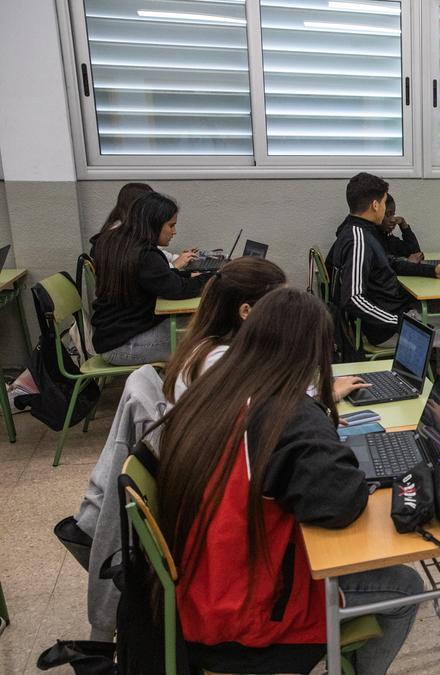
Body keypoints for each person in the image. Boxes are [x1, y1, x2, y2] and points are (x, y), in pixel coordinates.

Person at [157, 288, 422, 674]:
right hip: (244, 613)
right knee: (406, 587)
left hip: (200, 589)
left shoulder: (219, 388)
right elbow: (338, 505)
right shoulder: (284, 413)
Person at [326, 172, 440, 401]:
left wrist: (432, 270)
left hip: (394, 317)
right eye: (384, 201)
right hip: (387, 327)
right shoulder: (359, 238)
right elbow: (353, 299)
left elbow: (389, 263)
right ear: (375, 204)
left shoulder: (358, 232)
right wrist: (400, 324)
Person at [162, 256, 372, 403]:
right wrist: (326, 396)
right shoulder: (219, 360)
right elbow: (270, 413)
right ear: (246, 311)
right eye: (277, 304)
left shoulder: (216, 343)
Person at [91, 192, 205, 365]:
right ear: (154, 224)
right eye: (171, 225)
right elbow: (177, 290)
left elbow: (161, 279)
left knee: (199, 323)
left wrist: (188, 275)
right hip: (124, 346)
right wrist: (214, 278)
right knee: (209, 335)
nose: (174, 232)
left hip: (114, 336)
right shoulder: (144, 255)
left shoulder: (122, 243)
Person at [383, 194, 423, 262]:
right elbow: (383, 266)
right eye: (388, 214)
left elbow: (415, 253)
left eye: (393, 214)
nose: (393, 219)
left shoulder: (387, 236)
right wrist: (407, 262)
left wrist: (403, 225)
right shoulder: (372, 238)